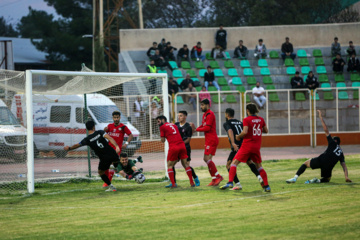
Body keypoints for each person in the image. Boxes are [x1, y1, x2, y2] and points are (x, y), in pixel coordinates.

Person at [286, 110, 352, 184]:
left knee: (305, 164)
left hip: (322, 160)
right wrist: (346, 177)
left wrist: (321, 118)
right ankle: (316, 181)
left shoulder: (333, 143)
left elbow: (326, 130)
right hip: (329, 166)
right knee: (327, 179)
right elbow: (344, 166)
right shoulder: (341, 153)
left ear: (335, 141)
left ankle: (295, 178)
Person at [220, 103, 270, 192]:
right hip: (256, 147)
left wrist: (238, 136)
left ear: (247, 111)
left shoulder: (246, 119)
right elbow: (266, 131)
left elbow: (245, 131)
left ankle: (231, 182)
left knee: (234, 163)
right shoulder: (261, 119)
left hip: (247, 145)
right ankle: (267, 186)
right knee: (259, 166)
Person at [64, 120, 120, 192]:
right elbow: (110, 138)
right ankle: (116, 167)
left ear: (87, 129)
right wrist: (116, 146)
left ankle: (112, 187)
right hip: (112, 153)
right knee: (118, 162)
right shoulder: (100, 132)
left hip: (104, 158)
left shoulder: (87, 139)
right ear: (94, 126)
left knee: (101, 172)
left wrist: (69, 148)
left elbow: (77, 145)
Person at [157, 115, 195, 188]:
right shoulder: (173, 124)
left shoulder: (162, 127)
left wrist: (162, 134)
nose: (158, 123)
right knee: (185, 164)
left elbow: (163, 141)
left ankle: (173, 184)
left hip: (174, 147)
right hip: (182, 145)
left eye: (159, 121)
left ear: (163, 120)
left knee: (169, 165)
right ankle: (192, 182)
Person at [192, 99, 223, 186]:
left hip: (212, 140)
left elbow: (207, 128)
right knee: (208, 159)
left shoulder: (210, 114)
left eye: (202, 105)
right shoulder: (205, 114)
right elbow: (203, 125)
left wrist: (196, 130)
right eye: (200, 105)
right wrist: (195, 129)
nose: (201, 107)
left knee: (207, 159)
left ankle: (218, 176)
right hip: (209, 139)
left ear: (207, 105)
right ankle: (214, 179)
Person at [166, 111, 200, 187]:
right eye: (178, 116)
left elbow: (188, 139)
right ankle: (173, 182)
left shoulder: (188, 126)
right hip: (177, 147)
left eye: (181, 116)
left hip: (185, 148)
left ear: (185, 117)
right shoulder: (176, 125)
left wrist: (179, 144)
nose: (179, 117)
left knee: (186, 165)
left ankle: (195, 178)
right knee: (171, 164)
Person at [102, 111, 133, 187]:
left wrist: (126, 143)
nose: (116, 119)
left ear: (120, 118)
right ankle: (108, 180)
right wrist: (104, 130)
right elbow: (104, 134)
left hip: (117, 149)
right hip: (108, 149)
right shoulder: (109, 126)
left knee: (112, 165)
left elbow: (131, 135)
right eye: (115, 117)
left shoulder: (123, 127)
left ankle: (108, 182)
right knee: (106, 165)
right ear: (112, 118)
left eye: (117, 117)